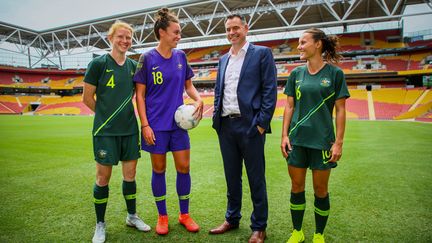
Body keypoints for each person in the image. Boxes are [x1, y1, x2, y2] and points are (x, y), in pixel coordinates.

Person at [133, 8, 203, 236]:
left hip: (179, 126)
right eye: (176, 32)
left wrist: (198, 99)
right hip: (156, 126)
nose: (179, 36)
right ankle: (162, 216)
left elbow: (189, 86)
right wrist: (145, 124)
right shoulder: (147, 58)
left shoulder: (181, 57)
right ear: (162, 32)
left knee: (184, 167)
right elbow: (140, 95)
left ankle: (184, 214)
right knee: (159, 169)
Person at [210, 14, 277, 243]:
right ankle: (232, 218)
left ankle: (259, 227)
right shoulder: (222, 59)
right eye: (228, 29)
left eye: (235, 28)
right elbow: (220, 91)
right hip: (226, 126)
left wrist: (261, 124)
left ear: (245, 28)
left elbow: (270, 90)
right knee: (232, 177)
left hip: (251, 126)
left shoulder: (261, 53)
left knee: (255, 178)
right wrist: (216, 117)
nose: (232, 33)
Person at [82, 21, 151, 243]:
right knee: (103, 178)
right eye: (120, 37)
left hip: (129, 131)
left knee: (130, 177)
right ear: (110, 38)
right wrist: (104, 116)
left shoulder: (133, 66)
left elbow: (141, 95)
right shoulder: (98, 64)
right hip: (105, 132)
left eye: (128, 38)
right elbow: (87, 98)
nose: (124, 41)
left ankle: (131, 216)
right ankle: (100, 224)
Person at [280, 28, 350, 243]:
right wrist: (284, 135)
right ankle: (297, 232)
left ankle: (319, 235)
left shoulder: (335, 74)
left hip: (322, 142)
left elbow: (340, 110)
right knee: (296, 187)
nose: (299, 47)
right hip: (297, 140)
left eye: (303, 42)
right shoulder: (295, 74)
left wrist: (338, 142)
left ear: (318, 44)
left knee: (321, 190)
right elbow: (289, 106)